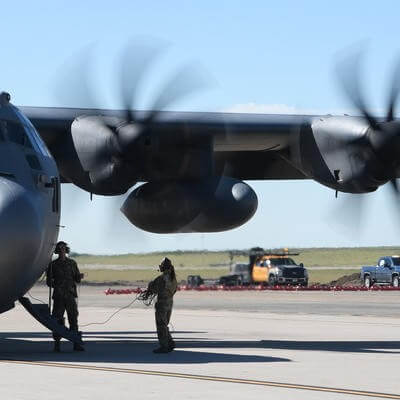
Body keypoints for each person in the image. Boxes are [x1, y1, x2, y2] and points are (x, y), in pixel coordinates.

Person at [46, 241, 84, 352]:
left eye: (63, 247)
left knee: (73, 318)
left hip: (70, 296)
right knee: (57, 321)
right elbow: (49, 282)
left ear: (66, 249)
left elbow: (76, 279)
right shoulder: (53, 265)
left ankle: (76, 343)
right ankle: (57, 344)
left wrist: (79, 277)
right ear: (57, 250)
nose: (62, 249)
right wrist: (57, 286)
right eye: (60, 247)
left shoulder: (72, 263)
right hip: (59, 297)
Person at [146, 257, 177, 353]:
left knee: (161, 325)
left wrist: (150, 287)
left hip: (162, 304)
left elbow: (153, 289)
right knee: (165, 324)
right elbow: (174, 290)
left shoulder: (162, 278)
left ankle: (164, 346)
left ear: (163, 267)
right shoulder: (173, 278)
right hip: (170, 302)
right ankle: (170, 342)